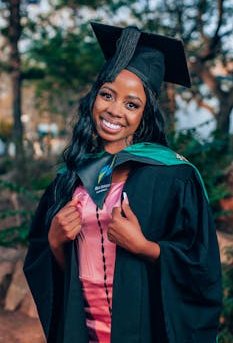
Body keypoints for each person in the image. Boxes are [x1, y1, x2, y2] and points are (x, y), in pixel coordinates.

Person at [23, 21, 222, 343]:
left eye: (132, 104)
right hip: (82, 329)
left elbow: (201, 268)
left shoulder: (174, 176)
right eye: (107, 95)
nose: (115, 110)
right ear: (93, 99)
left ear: (146, 114)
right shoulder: (70, 177)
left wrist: (145, 248)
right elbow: (55, 272)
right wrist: (56, 241)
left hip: (144, 329)